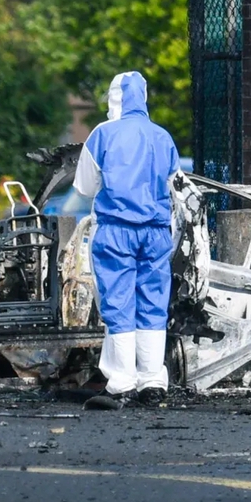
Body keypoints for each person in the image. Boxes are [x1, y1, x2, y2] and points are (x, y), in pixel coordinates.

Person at [73, 71, 181, 410]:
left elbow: (85, 187)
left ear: (113, 98)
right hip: (156, 231)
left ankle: (121, 381)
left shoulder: (102, 134)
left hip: (116, 230)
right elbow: (174, 184)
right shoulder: (163, 137)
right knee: (153, 301)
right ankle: (152, 378)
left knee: (119, 302)